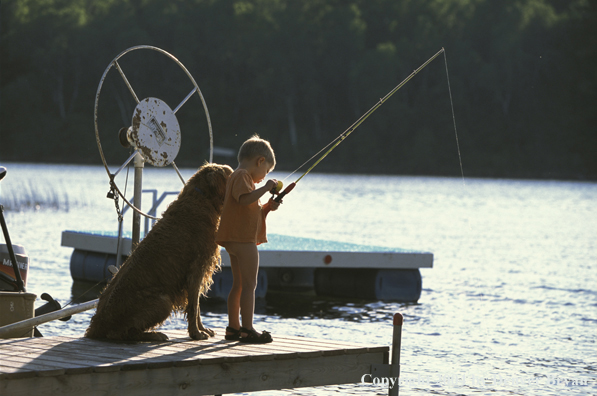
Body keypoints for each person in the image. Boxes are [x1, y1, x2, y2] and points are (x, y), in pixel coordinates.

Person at [216, 135, 281, 343]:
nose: (264, 177)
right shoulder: (243, 176)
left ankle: (233, 328)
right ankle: (247, 329)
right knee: (251, 285)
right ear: (260, 161)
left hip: (235, 239)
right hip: (243, 241)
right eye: (266, 172)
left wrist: (268, 207)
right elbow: (244, 200)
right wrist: (265, 187)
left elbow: (249, 210)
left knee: (239, 285)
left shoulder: (240, 178)